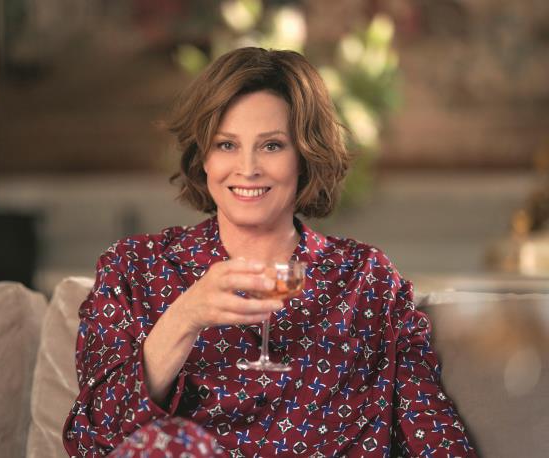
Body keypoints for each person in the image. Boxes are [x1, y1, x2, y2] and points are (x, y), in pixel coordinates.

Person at [63, 47, 476, 457]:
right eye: (226, 145)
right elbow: (92, 440)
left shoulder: (367, 280)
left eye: (272, 146)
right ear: (202, 157)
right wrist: (183, 319)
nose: (247, 168)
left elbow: (433, 430)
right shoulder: (134, 268)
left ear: (305, 157)